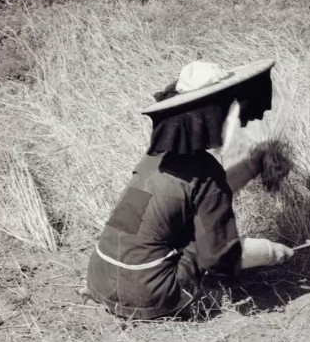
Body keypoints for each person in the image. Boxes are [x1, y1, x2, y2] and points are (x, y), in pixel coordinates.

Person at [86, 59, 294, 319]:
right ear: (209, 117)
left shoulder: (154, 160)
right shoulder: (205, 172)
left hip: (99, 278)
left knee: (183, 226)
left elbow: (201, 193)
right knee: (204, 238)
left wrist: (253, 165)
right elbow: (218, 255)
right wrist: (275, 252)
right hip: (148, 295)